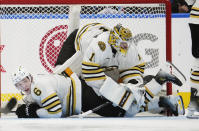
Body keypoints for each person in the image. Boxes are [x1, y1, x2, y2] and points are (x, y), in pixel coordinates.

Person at [12, 65, 185, 118]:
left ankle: (157, 80)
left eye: (24, 81)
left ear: (30, 77)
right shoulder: (36, 87)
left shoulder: (38, 87)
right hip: (84, 92)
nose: (24, 86)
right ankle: (164, 102)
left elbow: (56, 113)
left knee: (125, 109)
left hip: (85, 95)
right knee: (125, 109)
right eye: (19, 85)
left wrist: (32, 113)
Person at [185, 0, 199, 118]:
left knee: (197, 60)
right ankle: (194, 104)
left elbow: (189, 1)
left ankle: (194, 104)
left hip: (195, 18)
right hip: (196, 19)